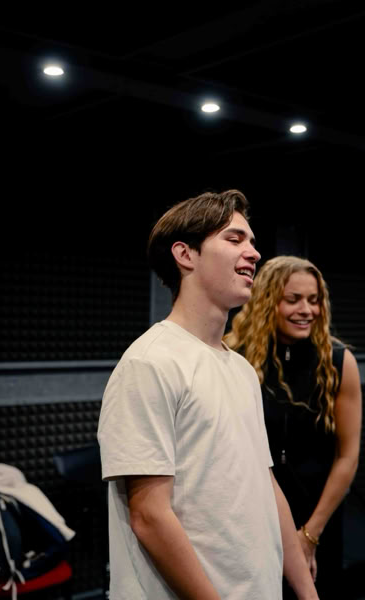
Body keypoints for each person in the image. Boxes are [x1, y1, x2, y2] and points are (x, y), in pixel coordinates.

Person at [98, 191, 319, 600]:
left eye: (252, 242)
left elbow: (266, 485)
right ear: (185, 255)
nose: (254, 253)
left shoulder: (240, 370)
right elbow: (149, 515)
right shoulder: (150, 363)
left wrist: (307, 591)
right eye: (234, 239)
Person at [224, 255, 362, 598]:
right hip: (251, 520)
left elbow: (347, 457)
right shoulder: (233, 356)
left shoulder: (338, 361)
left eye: (314, 300)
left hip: (319, 520)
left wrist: (309, 536)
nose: (307, 310)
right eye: (293, 299)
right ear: (268, 301)